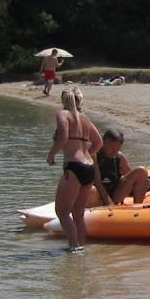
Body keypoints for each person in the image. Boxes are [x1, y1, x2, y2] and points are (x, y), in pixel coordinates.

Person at [46, 89, 102, 253]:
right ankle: (81, 249)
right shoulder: (85, 118)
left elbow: (63, 138)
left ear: (64, 101)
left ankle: (73, 248)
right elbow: (98, 143)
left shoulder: (63, 114)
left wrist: (51, 155)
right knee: (78, 214)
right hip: (89, 168)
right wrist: (86, 155)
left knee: (62, 212)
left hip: (74, 167)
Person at [94, 129, 149, 207]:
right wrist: (108, 201)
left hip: (116, 194)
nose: (114, 152)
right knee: (92, 190)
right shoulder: (94, 156)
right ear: (104, 142)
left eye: (117, 149)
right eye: (112, 148)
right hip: (97, 194)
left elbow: (130, 175)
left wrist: (148, 181)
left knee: (141, 171)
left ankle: (137, 208)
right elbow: (97, 182)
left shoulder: (119, 157)